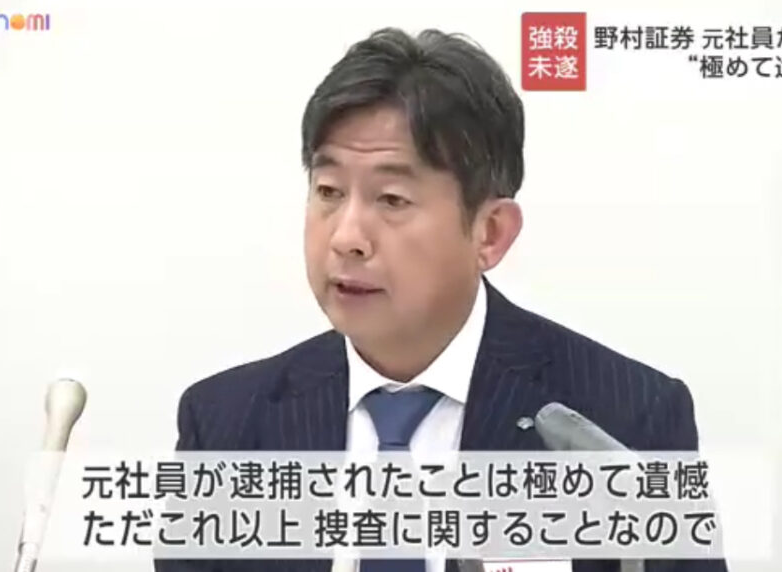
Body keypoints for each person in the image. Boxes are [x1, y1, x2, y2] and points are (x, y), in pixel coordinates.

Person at [157, 27, 727, 572]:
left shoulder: (625, 423)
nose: (346, 237)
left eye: (392, 199)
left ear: (490, 233)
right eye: (328, 191)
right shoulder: (224, 426)